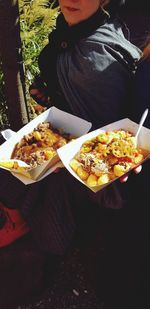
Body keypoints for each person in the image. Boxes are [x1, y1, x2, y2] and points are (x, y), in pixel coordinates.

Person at [0, 0, 142, 257]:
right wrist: (51, 96)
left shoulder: (96, 62)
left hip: (87, 178)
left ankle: (20, 221)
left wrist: (63, 158)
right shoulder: (75, 28)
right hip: (61, 144)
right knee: (10, 152)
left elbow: (104, 140)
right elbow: (69, 92)